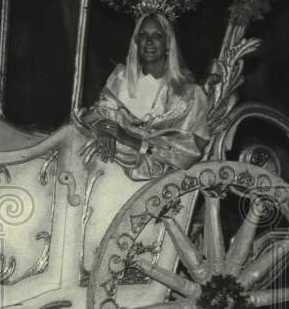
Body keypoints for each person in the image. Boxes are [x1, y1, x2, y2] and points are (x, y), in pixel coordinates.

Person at [82, 11, 210, 181]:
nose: (149, 41)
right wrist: (101, 130)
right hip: (107, 171)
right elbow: (92, 118)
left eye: (157, 35)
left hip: (157, 183)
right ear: (136, 41)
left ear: (168, 43)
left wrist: (132, 140)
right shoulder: (121, 79)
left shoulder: (190, 94)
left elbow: (190, 150)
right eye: (143, 35)